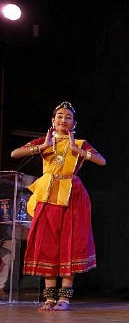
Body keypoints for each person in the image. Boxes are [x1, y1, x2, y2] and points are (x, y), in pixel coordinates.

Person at [9, 101, 106, 311]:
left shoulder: (80, 142)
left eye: (68, 117)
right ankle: (49, 298)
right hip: (48, 194)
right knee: (48, 242)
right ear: (53, 121)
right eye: (60, 116)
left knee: (69, 243)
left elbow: (102, 161)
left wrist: (75, 150)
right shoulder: (45, 142)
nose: (64, 120)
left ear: (74, 123)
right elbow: (14, 154)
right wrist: (41, 147)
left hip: (73, 195)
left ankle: (64, 299)